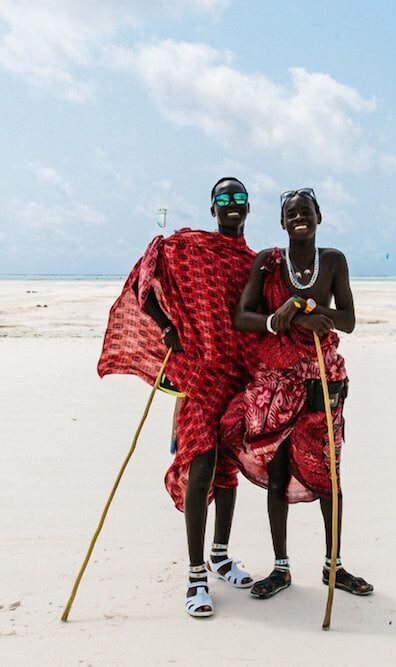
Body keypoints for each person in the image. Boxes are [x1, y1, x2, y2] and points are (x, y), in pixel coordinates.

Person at [97, 177, 257, 617]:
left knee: (227, 468)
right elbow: (144, 278)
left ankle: (220, 556)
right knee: (201, 464)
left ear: (248, 207)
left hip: (237, 376)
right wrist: (166, 325)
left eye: (239, 198)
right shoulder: (190, 247)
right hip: (199, 374)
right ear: (212, 208)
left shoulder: (253, 263)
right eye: (223, 198)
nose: (231, 204)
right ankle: (195, 574)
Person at [220, 187, 373, 599]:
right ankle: (281, 568)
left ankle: (334, 566)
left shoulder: (334, 261)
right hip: (277, 383)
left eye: (306, 212)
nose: (300, 218)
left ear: (318, 217)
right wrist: (278, 319)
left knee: (329, 476)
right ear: (282, 222)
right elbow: (242, 317)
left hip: (323, 379)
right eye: (292, 214)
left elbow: (348, 320)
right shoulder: (268, 262)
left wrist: (304, 310)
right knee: (276, 477)